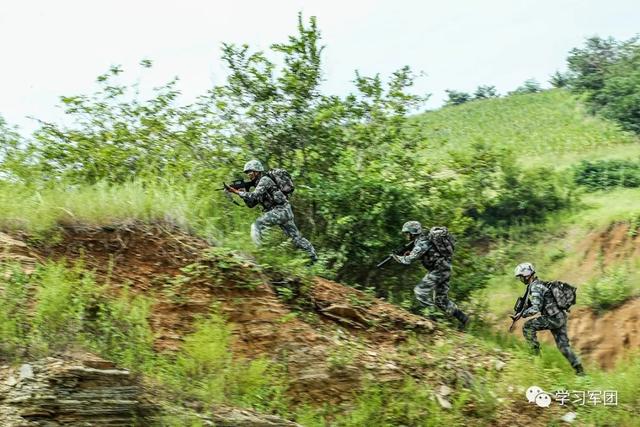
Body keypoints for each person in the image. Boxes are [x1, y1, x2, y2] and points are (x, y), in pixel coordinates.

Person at [225, 159, 318, 263]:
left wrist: (237, 192)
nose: (248, 175)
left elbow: (254, 195)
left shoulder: (264, 180)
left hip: (281, 210)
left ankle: (259, 255)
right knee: (296, 239)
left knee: (256, 226)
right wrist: (243, 194)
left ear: (257, 171)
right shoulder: (258, 184)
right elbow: (251, 204)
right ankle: (313, 256)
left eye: (250, 172)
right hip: (285, 211)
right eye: (247, 173)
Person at [391, 220, 469, 329]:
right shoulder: (423, 240)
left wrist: (397, 257)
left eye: (407, 233)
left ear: (412, 233)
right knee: (441, 300)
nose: (406, 236)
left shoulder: (421, 242)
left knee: (420, 291)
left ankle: (433, 320)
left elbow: (408, 260)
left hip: (439, 270)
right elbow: (421, 253)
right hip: (444, 268)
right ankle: (464, 319)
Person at [514, 262, 585, 376]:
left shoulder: (535, 287)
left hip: (553, 318)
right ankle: (580, 371)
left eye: (521, 277)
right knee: (564, 347)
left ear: (527, 275)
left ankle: (535, 359)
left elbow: (536, 308)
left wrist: (523, 314)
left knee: (527, 326)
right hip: (560, 317)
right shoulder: (540, 284)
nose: (521, 280)